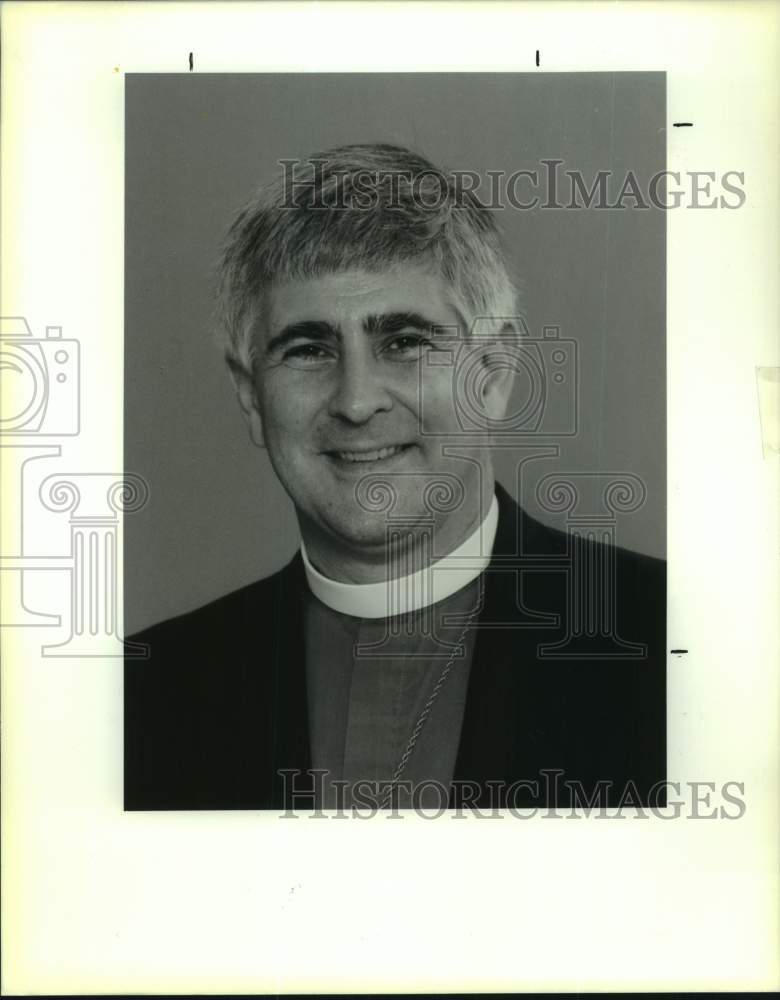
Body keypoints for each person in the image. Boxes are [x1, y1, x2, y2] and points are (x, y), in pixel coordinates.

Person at [124, 143, 665, 813]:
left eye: (404, 342)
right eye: (309, 349)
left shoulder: (675, 643)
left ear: (494, 374)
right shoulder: (142, 692)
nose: (356, 401)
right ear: (250, 398)